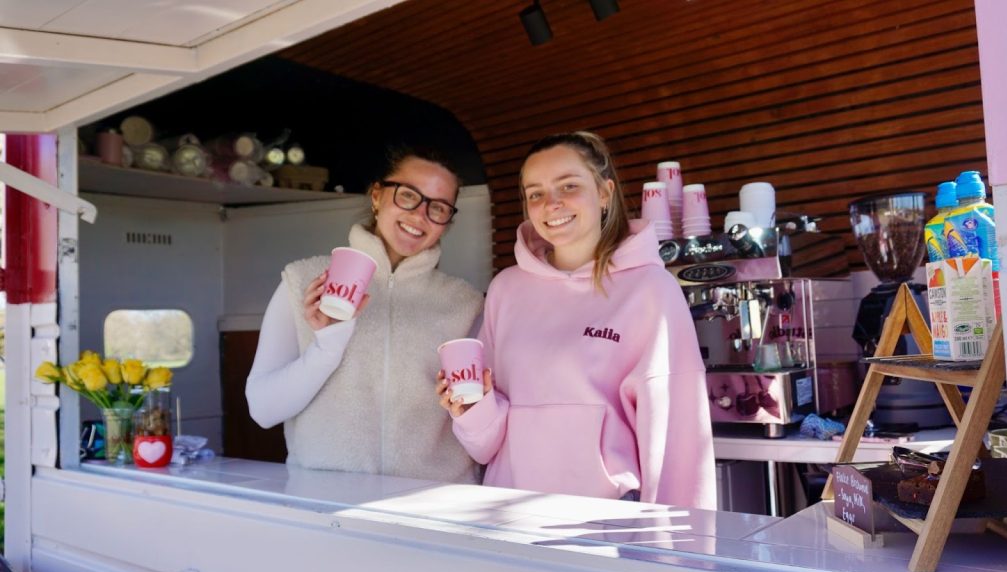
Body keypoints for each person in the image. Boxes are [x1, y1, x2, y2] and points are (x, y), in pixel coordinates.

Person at [437, 131, 716, 508]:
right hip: (507, 520)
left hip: (603, 527)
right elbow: (487, 445)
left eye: (568, 185)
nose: (551, 203)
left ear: (604, 193)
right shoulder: (506, 290)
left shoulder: (651, 289)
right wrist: (470, 411)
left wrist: (677, 553)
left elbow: (678, 442)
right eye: (535, 193)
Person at [248, 145, 483, 483]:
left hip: (433, 508)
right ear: (377, 196)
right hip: (329, 507)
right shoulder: (303, 281)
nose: (420, 215)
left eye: (439, 207)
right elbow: (263, 409)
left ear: (447, 222)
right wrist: (327, 345)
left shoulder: (466, 302)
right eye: (408, 196)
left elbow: (478, 420)